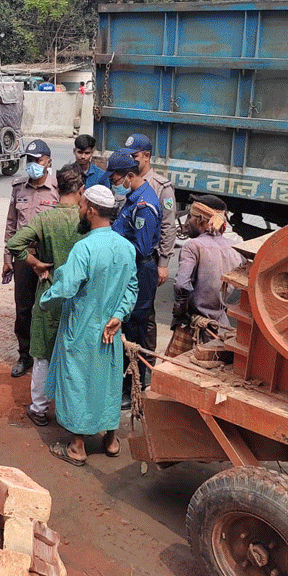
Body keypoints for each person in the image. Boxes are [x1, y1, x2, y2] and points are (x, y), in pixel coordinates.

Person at [40, 185, 138, 466]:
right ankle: (110, 441)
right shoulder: (126, 247)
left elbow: (66, 287)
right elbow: (132, 287)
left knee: (77, 383)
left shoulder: (84, 248)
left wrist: (44, 300)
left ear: (92, 211)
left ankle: (77, 446)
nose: (80, 210)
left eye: (82, 206)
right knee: (107, 382)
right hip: (111, 330)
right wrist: (120, 314)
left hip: (81, 330)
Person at [6, 164, 86, 426]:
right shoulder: (87, 221)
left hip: (49, 293)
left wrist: (34, 263)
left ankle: (39, 408)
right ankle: (67, 409)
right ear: (80, 190)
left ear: (57, 188)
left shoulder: (45, 219)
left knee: (42, 355)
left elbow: (14, 243)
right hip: (79, 297)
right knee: (72, 356)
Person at [3, 140, 59, 379]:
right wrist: (7, 257)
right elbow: (11, 224)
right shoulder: (19, 187)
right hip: (25, 257)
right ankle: (24, 355)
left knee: (50, 308)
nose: (32, 165)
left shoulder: (58, 187)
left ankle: (49, 356)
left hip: (49, 258)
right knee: (23, 308)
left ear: (48, 162)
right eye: (29, 160)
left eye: (37, 160)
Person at [109, 149, 161, 402]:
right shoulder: (132, 198)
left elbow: (140, 247)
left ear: (129, 175)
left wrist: (112, 241)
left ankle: (134, 387)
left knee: (136, 330)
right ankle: (124, 382)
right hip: (131, 270)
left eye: (117, 180)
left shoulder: (144, 205)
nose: (116, 185)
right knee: (126, 325)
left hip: (141, 271)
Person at [170, 194, 245, 355]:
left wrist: (180, 309)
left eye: (190, 216)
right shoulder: (234, 247)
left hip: (192, 327)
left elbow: (181, 285)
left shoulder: (193, 246)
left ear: (200, 220)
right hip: (220, 327)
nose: (187, 222)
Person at [124, 134, 176, 285]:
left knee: (143, 306)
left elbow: (168, 225)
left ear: (147, 156)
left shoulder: (161, 187)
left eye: (134, 156)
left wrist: (163, 264)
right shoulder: (123, 181)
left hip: (146, 258)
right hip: (123, 255)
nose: (130, 161)